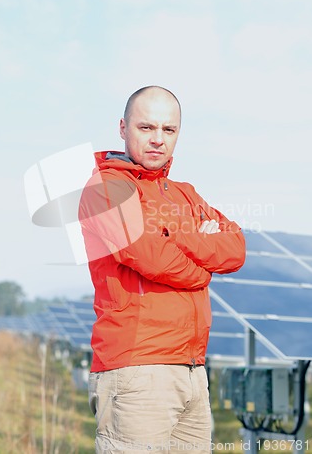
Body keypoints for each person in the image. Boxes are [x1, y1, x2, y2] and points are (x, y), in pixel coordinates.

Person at [79, 86, 246, 453]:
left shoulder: (185, 193)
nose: (157, 140)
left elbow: (235, 247)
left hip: (191, 369)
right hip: (137, 370)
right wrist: (202, 270)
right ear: (123, 128)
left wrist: (176, 236)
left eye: (168, 131)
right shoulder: (104, 188)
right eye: (146, 128)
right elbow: (149, 255)